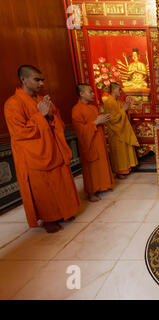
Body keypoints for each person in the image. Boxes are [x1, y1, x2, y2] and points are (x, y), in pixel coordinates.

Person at [4, 65, 80, 233]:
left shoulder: (41, 100)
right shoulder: (13, 104)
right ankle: (49, 219)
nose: (41, 83)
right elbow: (19, 132)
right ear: (23, 79)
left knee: (60, 182)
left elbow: (56, 119)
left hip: (53, 148)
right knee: (44, 188)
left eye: (42, 80)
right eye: (36, 79)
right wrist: (40, 116)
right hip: (35, 153)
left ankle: (64, 212)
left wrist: (50, 116)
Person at [72, 84, 114, 202]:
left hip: (98, 140)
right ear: (81, 94)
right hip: (89, 143)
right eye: (90, 92)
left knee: (101, 164)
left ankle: (103, 186)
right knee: (91, 168)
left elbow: (97, 121)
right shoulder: (76, 110)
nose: (93, 94)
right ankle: (91, 192)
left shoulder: (93, 107)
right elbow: (80, 130)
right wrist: (95, 122)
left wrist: (103, 119)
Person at [102, 83, 139, 179]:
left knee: (124, 150)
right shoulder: (109, 102)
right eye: (119, 89)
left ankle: (126, 169)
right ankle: (119, 171)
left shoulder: (117, 102)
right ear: (113, 90)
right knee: (118, 152)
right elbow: (113, 119)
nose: (120, 91)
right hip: (116, 132)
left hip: (122, 130)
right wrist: (123, 110)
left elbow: (121, 113)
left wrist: (126, 108)